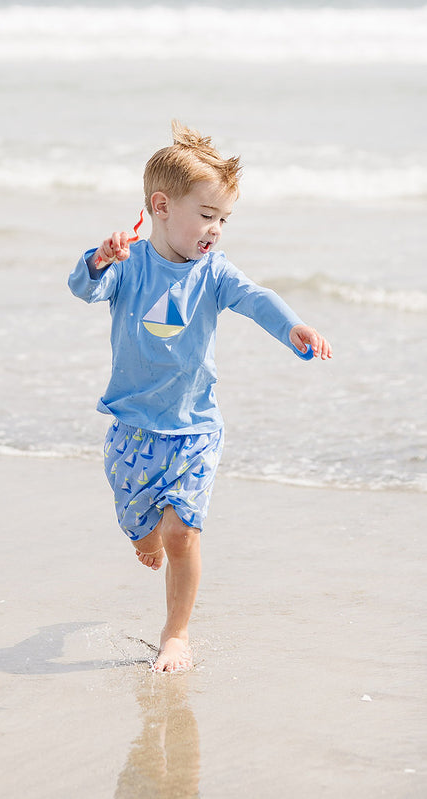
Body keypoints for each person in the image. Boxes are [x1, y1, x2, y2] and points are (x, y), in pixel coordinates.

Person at [68, 121, 332, 673]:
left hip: (195, 427)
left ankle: (176, 633)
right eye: (207, 215)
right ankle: (144, 538)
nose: (216, 230)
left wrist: (293, 327)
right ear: (161, 207)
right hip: (132, 425)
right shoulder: (131, 264)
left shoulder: (214, 272)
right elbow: (84, 288)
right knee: (145, 530)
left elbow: (256, 298)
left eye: (224, 219)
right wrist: (99, 259)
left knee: (182, 533)